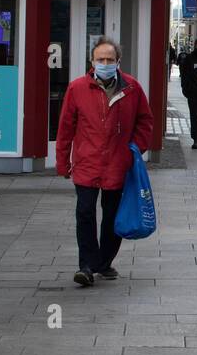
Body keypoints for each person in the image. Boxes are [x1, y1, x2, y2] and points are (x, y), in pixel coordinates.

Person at [56, 37, 153, 288]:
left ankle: (104, 261)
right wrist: (62, 161)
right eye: (101, 59)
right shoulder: (77, 89)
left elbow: (146, 122)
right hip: (87, 163)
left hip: (117, 165)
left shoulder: (132, 88)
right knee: (85, 212)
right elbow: (66, 127)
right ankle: (86, 266)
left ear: (118, 62)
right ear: (92, 61)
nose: (105, 63)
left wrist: (135, 148)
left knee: (112, 217)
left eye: (110, 60)